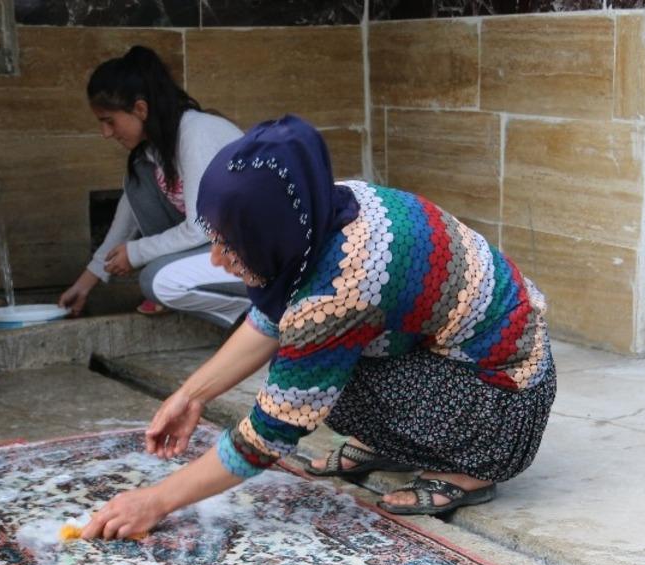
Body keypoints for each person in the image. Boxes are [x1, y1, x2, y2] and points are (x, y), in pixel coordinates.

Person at [81, 115, 556, 541]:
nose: (216, 260)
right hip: (455, 362)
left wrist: (155, 501)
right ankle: (397, 443)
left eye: (231, 244)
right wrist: (192, 395)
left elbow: (271, 432)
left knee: (309, 385)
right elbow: (271, 319)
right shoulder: (320, 207)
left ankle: (472, 470)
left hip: (503, 397)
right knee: (315, 369)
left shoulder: (341, 285)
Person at [58, 46, 250, 328]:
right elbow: (126, 223)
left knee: (154, 280)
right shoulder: (150, 155)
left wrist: (137, 253)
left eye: (109, 121)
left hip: (257, 255)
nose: (106, 133)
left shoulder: (197, 133)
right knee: (139, 180)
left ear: (140, 109)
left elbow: (201, 227)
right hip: (219, 254)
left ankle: (261, 316)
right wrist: (86, 282)